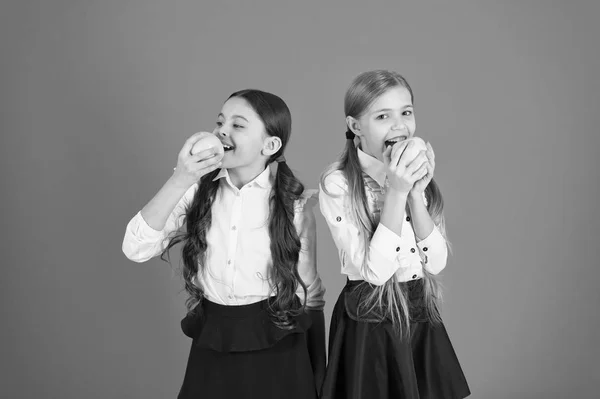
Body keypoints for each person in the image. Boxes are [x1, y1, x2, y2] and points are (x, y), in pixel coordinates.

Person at [122, 89, 326, 399]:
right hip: (213, 337)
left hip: (279, 342)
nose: (222, 131)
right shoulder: (195, 190)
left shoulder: (294, 206)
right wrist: (181, 178)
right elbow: (135, 248)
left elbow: (310, 291)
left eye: (238, 125)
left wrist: (317, 373)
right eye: (221, 122)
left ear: (270, 145)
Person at [319, 70, 470, 399]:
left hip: (418, 310)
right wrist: (397, 192)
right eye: (382, 116)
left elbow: (436, 263)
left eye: (406, 112)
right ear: (356, 127)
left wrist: (415, 193)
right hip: (370, 319)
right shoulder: (338, 183)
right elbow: (376, 272)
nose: (399, 125)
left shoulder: (411, 171)